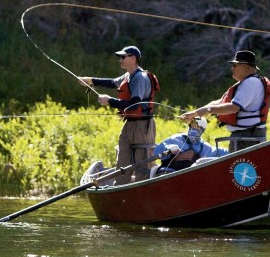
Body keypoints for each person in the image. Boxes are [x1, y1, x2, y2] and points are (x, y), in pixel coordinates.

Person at [78, 45, 158, 184]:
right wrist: (89, 80)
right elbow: (112, 82)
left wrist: (109, 101)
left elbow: (135, 104)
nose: (120, 60)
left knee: (142, 163)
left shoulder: (139, 78)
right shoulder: (128, 75)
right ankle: (119, 188)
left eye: (123, 57)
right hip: (129, 125)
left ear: (133, 58)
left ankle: (141, 191)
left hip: (142, 127)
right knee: (122, 159)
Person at [180, 50, 270, 152]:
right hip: (243, 137)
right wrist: (196, 113)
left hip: (248, 138)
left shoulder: (251, 83)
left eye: (235, 65)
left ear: (245, 66)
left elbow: (234, 107)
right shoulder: (247, 83)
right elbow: (220, 102)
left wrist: (208, 110)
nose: (232, 68)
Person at [153, 119, 229, 175]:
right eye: (192, 126)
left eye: (198, 128)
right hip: (169, 172)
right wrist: (168, 149)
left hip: (189, 177)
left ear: (202, 131)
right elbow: (156, 152)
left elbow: (222, 152)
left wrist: (236, 150)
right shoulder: (176, 139)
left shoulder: (204, 147)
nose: (194, 129)